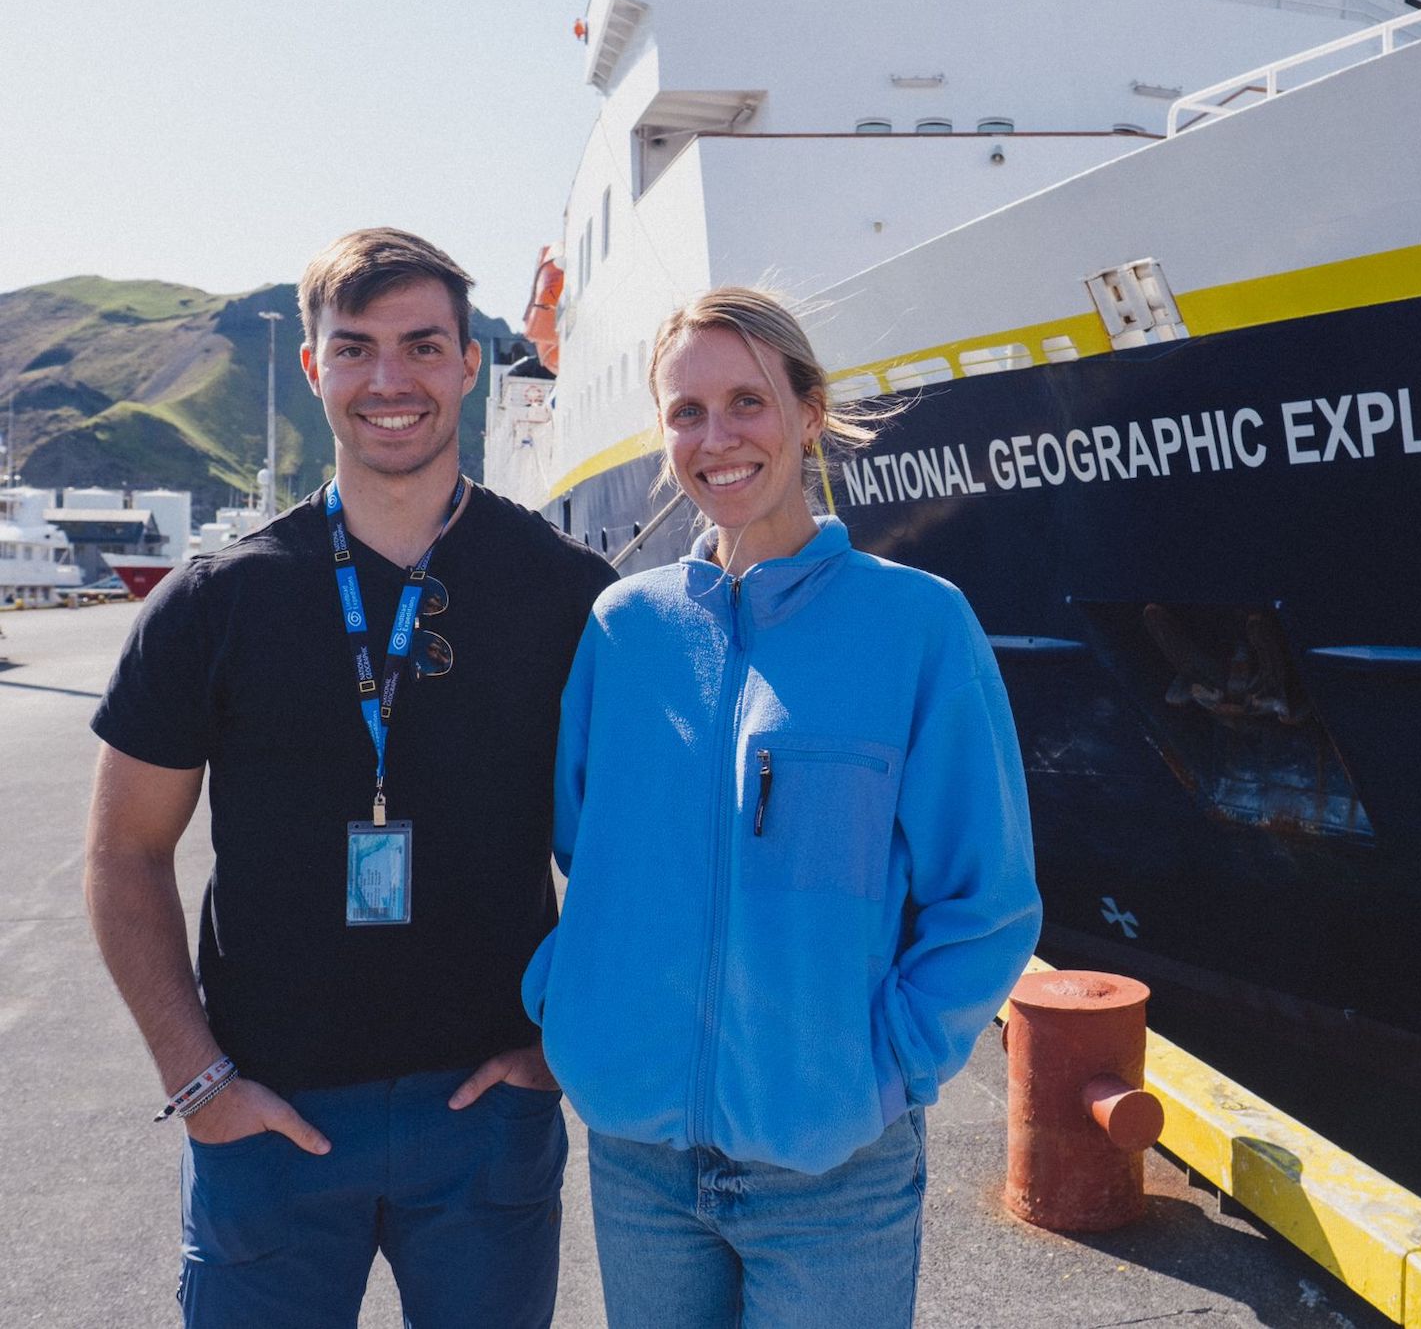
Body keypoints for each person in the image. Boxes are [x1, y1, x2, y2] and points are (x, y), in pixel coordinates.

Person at [83, 228, 618, 1328]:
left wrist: (561, 1047)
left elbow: (630, 849)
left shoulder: (570, 594)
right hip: (267, 1115)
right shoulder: (212, 602)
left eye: (423, 346)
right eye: (356, 347)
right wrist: (199, 1080)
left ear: (471, 364)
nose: (390, 380)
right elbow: (123, 850)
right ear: (313, 365)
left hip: (485, 1112)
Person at [525, 287, 1042, 1328]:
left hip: (831, 1171)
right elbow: (585, 849)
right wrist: (574, 1010)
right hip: (640, 1163)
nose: (715, 438)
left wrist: (884, 1067)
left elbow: (984, 901)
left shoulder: (917, 626)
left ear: (808, 411)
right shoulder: (624, 629)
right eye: (685, 412)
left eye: (745, 402)